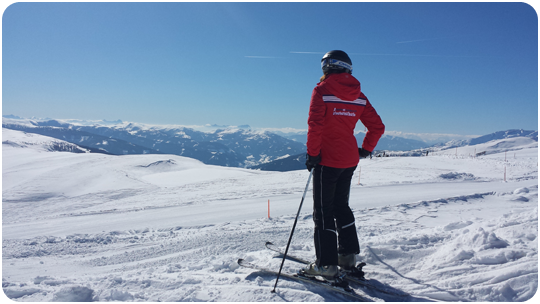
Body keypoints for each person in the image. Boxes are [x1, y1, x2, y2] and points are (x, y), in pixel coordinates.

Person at [302, 50, 385, 278]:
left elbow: (315, 125)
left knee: (323, 212)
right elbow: (378, 127)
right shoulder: (359, 96)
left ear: (326, 67)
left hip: (327, 161)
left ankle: (326, 265)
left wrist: (312, 155)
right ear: (347, 68)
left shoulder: (321, 91)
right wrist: (366, 149)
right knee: (341, 207)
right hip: (349, 160)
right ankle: (347, 257)